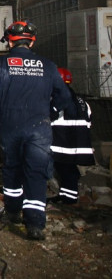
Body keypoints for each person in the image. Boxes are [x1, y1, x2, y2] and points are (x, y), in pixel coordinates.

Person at [0, 20, 74, 241]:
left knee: (12, 169)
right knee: (36, 173)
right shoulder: (48, 66)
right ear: (32, 41)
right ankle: (35, 225)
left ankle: (12, 212)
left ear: (10, 40)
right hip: (39, 128)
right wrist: (51, 110)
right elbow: (65, 97)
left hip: (11, 127)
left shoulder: (2, 64)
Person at [50, 67, 95, 204]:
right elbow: (89, 121)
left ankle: (68, 199)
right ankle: (66, 196)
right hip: (78, 143)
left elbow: (50, 117)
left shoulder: (57, 99)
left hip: (62, 144)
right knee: (67, 169)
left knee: (66, 170)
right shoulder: (81, 101)